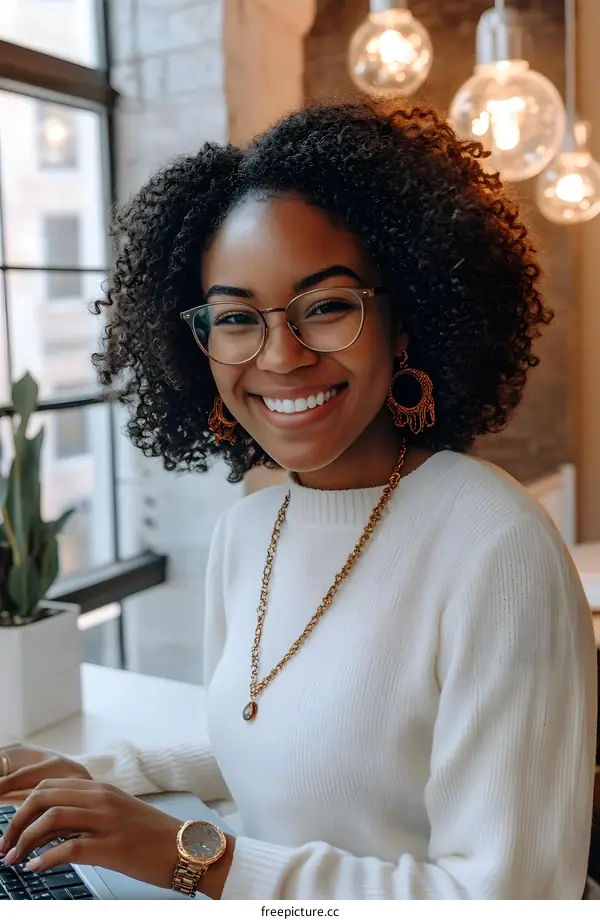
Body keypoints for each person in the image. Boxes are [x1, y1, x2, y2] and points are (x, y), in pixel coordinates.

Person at [0, 100, 597, 900]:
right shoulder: (248, 530)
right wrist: (98, 777)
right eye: (236, 318)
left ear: (403, 321)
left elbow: (509, 902)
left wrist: (191, 858)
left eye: (326, 306)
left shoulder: (496, 544)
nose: (280, 357)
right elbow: (293, 755)